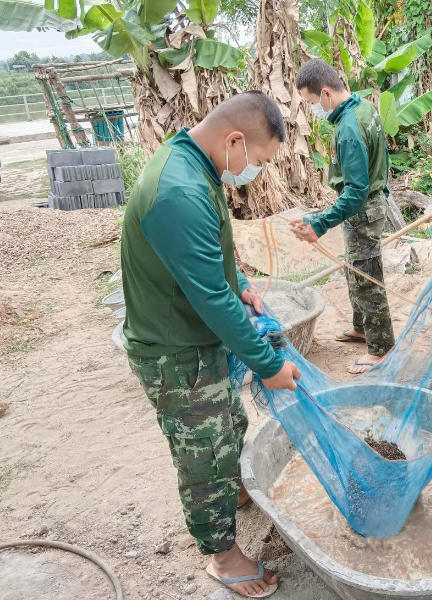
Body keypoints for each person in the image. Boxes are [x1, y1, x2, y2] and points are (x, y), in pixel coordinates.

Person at [121, 91, 301, 599]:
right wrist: (269, 366)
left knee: (229, 424)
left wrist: (240, 281)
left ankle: (233, 489)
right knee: (202, 450)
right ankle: (222, 555)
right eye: (260, 161)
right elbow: (213, 303)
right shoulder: (176, 190)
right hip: (174, 351)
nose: (257, 171)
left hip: (196, 335)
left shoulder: (196, 163)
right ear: (236, 140)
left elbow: (210, 257)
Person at [290, 58, 395, 374]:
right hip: (371, 204)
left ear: (324, 93)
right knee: (354, 269)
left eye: (312, 102)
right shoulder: (363, 108)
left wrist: (319, 224)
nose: (314, 109)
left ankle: (382, 348)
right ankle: (362, 328)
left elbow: (355, 192)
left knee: (366, 278)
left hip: (362, 209)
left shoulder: (348, 128)